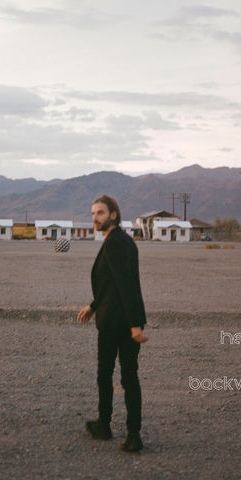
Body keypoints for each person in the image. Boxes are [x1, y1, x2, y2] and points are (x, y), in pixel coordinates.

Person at [77, 194, 148, 452]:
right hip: (118, 318)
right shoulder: (123, 240)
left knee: (111, 375)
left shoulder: (115, 243)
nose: (95, 218)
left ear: (113, 215)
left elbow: (127, 286)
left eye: (100, 213)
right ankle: (127, 432)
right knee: (125, 377)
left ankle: (114, 429)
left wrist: (134, 325)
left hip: (117, 324)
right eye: (93, 214)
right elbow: (111, 283)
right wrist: (93, 306)